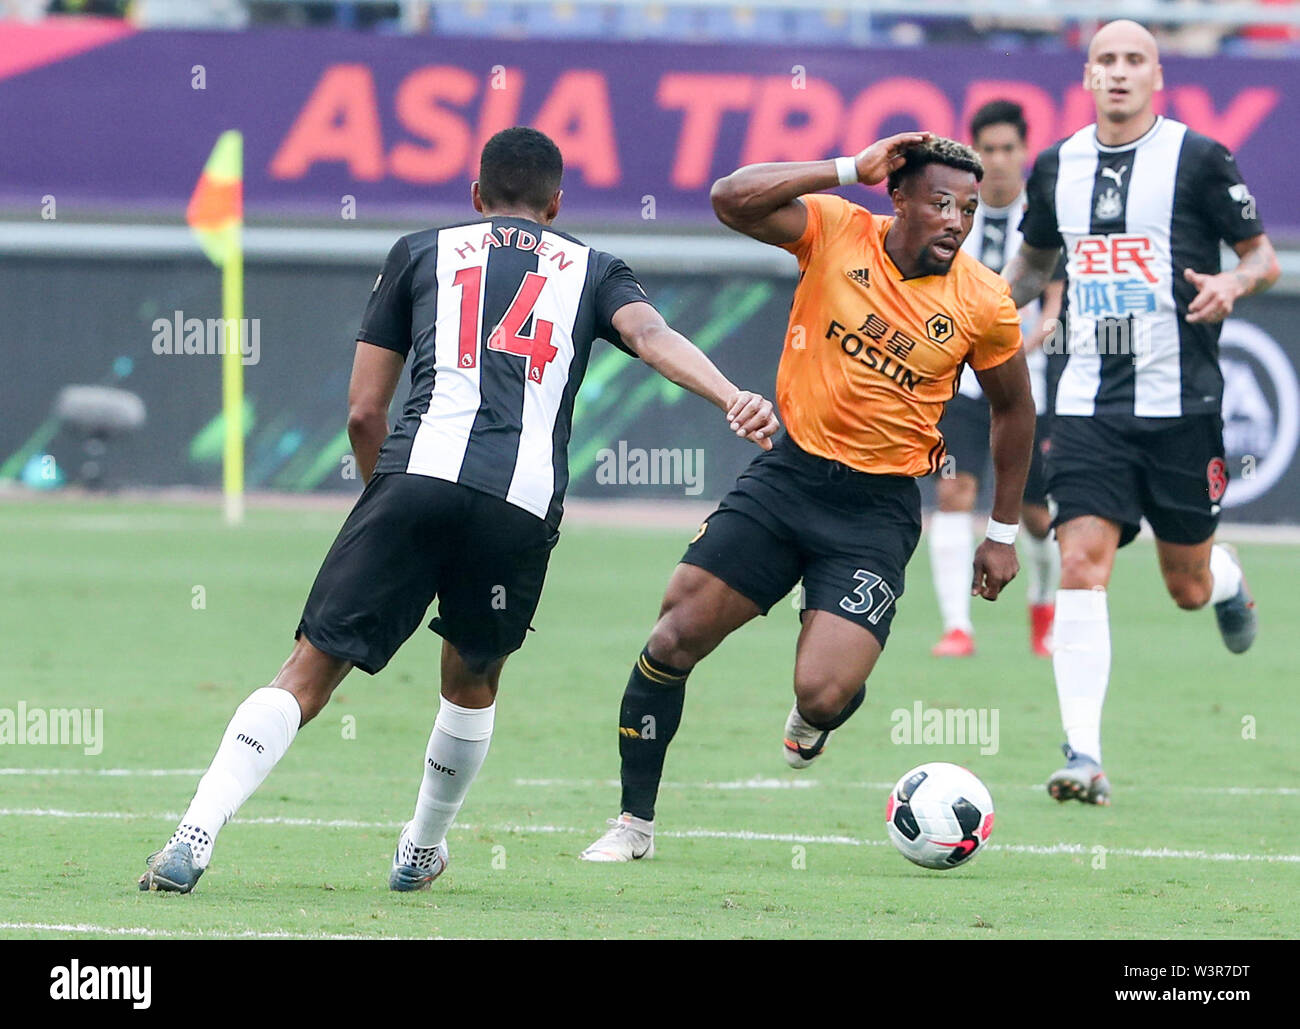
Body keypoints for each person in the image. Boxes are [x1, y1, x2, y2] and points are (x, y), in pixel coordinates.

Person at [137, 127, 779, 894]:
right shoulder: (596, 267)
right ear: (557, 203)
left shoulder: (419, 250)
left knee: (309, 669)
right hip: (518, 503)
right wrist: (729, 395)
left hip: (414, 478)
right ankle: (419, 848)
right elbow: (650, 335)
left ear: (475, 197)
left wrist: (387, 497)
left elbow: (363, 411)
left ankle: (193, 833)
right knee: (471, 678)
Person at [581, 133, 1036, 862]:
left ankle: (812, 713)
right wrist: (845, 169)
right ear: (896, 196)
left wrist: (1003, 533)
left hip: (876, 511)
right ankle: (634, 826)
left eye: (969, 208)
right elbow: (729, 197)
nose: (955, 220)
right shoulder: (835, 228)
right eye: (940, 202)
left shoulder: (984, 299)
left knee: (824, 693)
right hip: (787, 477)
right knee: (671, 638)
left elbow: (1016, 411)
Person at [1004, 20, 1279, 805]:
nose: (1119, 74)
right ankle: (1082, 755)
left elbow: (1261, 255)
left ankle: (1226, 579)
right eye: (1106, 62)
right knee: (1083, 561)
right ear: (1087, 76)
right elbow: (1033, 262)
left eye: (1134, 61)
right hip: (1086, 401)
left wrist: (1234, 283)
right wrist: (982, 306)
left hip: (1181, 404)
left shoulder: (1198, 159)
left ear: (1156, 75)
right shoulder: (1057, 166)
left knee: (1184, 584)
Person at [929, 99, 1066, 659]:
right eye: (989, 149)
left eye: (1010, 148)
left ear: (1024, 152)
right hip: (959, 385)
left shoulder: (1045, 212)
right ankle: (958, 626)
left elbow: (1053, 306)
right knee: (953, 492)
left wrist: (1013, 344)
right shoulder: (952, 212)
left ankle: (1043, 606)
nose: (1001, 159)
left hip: (1023, 385)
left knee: (1035, 514)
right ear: (975, 153)